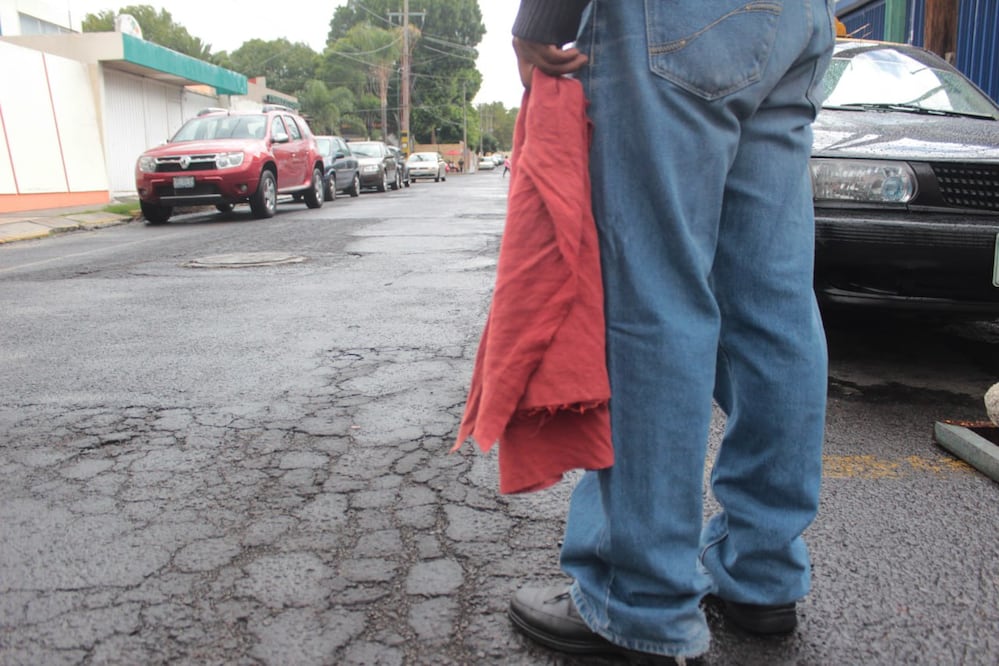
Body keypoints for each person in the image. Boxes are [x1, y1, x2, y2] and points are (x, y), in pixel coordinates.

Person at [506, 1, 834, 663]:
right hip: (798, 20)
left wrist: (541, 19)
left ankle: (641, 601)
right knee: (772, 307)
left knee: (652, 299)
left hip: (674, 21)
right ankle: (760, 573)